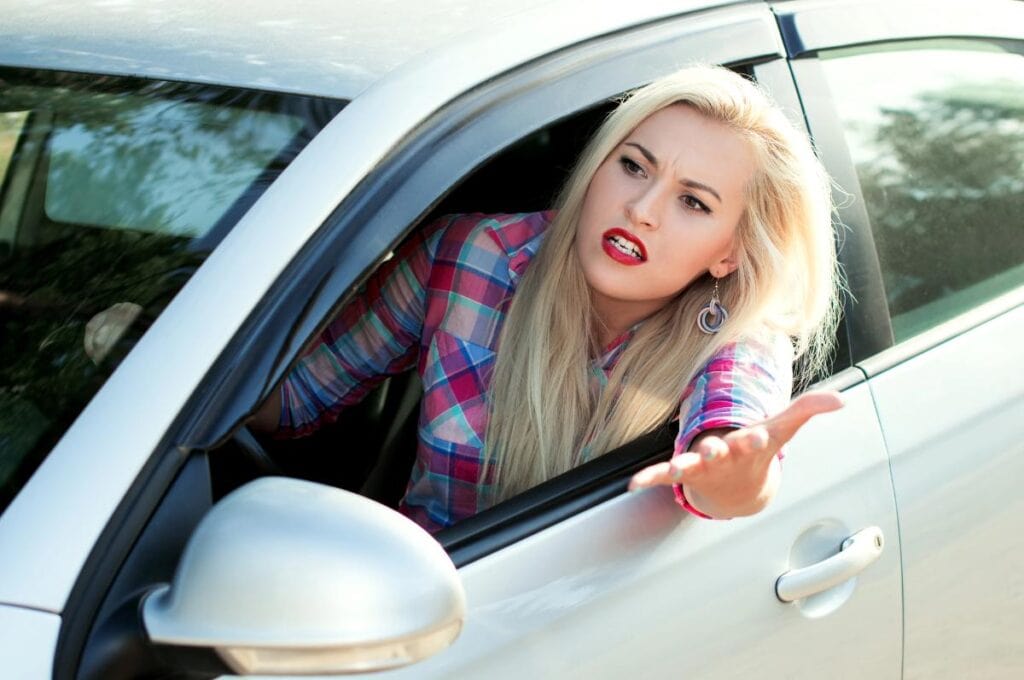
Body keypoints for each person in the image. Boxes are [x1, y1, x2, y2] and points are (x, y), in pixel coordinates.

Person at [251, 64, 843, 534]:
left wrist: (736, 471)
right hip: (413, 606)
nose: (641, 209)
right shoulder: (470, 255)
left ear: (729, 254)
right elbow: (299, 396)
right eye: (634, 167)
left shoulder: (741, 334)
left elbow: (729, 457)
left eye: (693, 202)